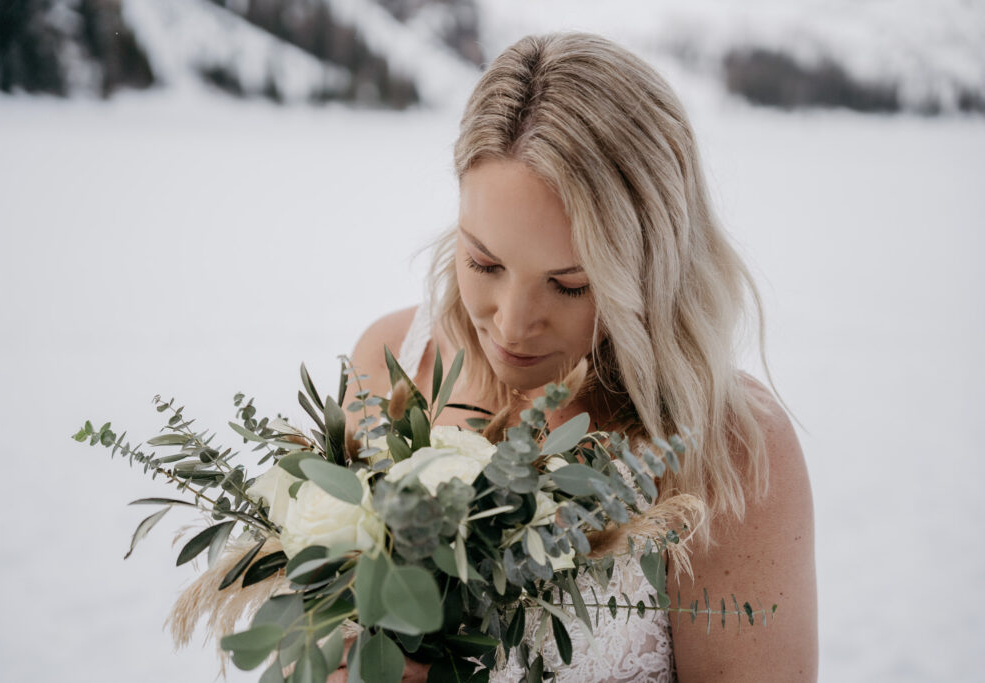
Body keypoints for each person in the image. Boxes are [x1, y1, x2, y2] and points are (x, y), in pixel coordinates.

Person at [338, 31, 817, 682]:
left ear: (648, 268)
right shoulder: (392, 363)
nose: (511, 323)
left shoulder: (726, 448)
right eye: (484, 261)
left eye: (569, 284)